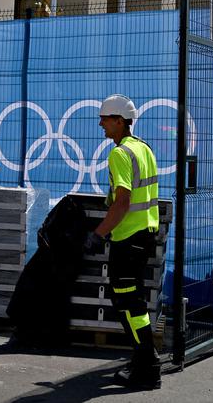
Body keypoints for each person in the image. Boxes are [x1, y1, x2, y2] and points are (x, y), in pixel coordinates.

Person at [87, 94, 161, 390]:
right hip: (144, 235)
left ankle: (147, 364)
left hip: (127, 239)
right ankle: (144, 360)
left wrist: (98, 233)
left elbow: (123, 202)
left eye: (105, 119)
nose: (101, 124)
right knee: (133, 302)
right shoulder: (144, 148)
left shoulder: (119, 154)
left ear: (120, 121)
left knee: (126, 303)